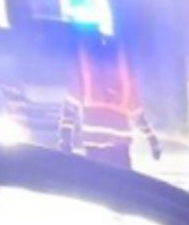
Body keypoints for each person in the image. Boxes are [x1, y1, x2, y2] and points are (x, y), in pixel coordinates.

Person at [59, 36, 161, 169]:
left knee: (98, 181)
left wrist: (65, 139)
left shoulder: (87, 72)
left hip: (95, 146)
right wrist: (152, 140)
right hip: (119, 147)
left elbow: (70, 107)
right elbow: (137, 113)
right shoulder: (124, 75)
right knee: (121, 181)